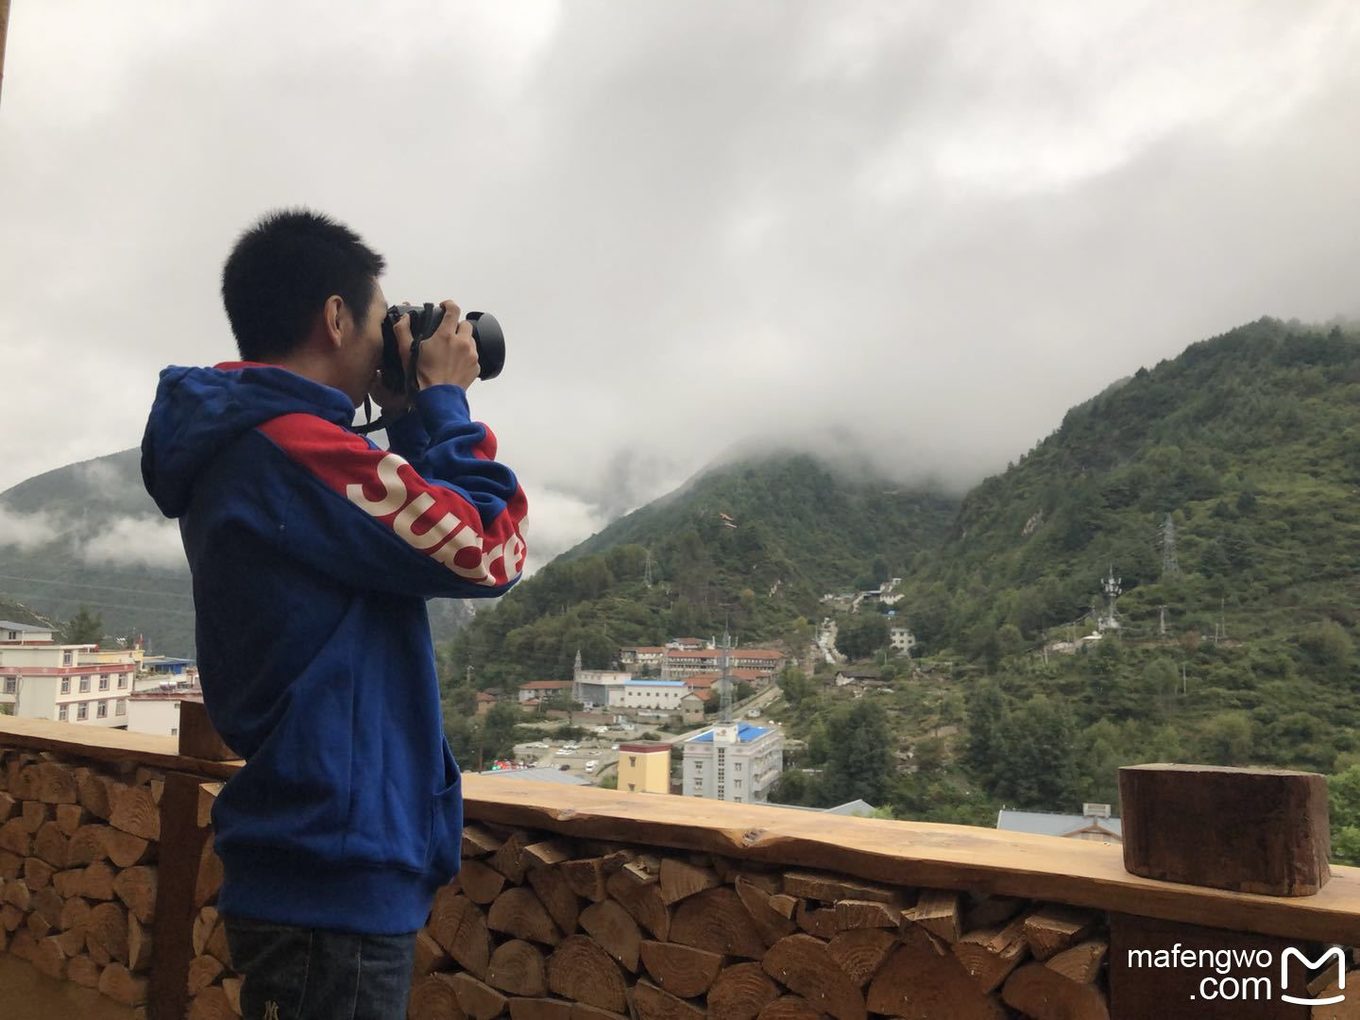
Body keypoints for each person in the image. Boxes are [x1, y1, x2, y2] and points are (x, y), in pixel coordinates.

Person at [141, 209, 528, 1019]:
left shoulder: (262, 446)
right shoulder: (294, 452)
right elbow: (488, 549)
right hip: (331, 876)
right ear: (336, 316)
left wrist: (405, 416)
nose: (396, 336)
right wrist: (447, 403)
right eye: (386, 319)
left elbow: (399, 538)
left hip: (318, 864)